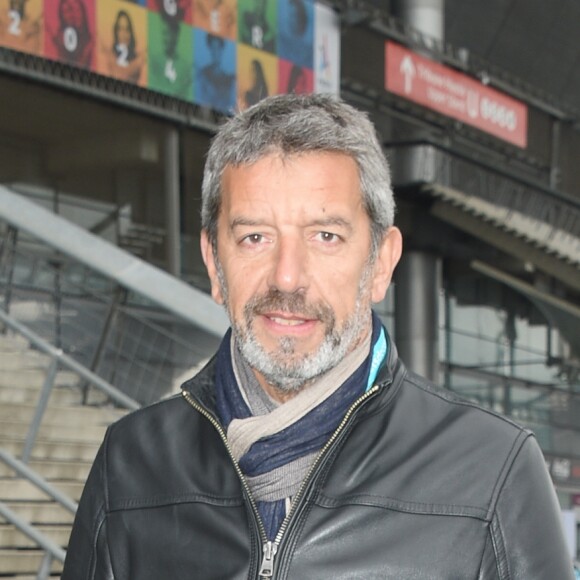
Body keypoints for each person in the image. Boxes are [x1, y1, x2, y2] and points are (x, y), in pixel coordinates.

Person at [62, 93, 574, 579]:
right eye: (254, 237)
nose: (287, 277)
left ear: (380, 263)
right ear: (215, 265)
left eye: (325, 236)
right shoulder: (129, 466)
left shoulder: (490, 474)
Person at [103, 9, 145, 84]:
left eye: (127, 29)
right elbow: (118, 75)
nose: (124, 34)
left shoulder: (136, 57)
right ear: (116, 31)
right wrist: (137, 63)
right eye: (120, 29)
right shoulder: (109, 55)